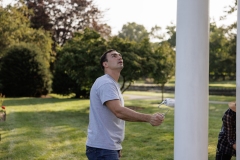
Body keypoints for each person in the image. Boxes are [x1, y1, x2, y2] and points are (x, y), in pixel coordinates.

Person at [86, 49, 165, 160]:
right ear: (105, 64)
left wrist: (117, 146)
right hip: (102, 149)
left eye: (120, 56)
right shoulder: (105, 83)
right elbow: (118, 111)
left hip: (106, 147)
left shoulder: (112, 84)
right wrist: (149, 118)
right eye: (114, 56)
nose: (119, 57)